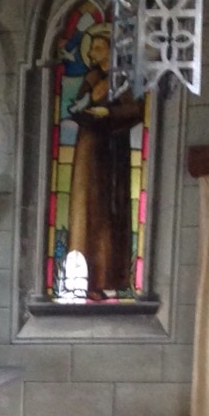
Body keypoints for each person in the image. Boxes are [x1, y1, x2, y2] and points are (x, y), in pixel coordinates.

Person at [65, 24, 144, 294]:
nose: (92, 53)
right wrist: (85, 109)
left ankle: (108, 280)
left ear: (111, 51)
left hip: (110, 153)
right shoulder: (91, 78)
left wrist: (108, 114)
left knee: (108, 213)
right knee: (84, 209)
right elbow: (76, 107)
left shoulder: (121, 79)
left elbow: (135, 110)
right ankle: (81, 281)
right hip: (87, 149)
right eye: (91, 48)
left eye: (98, 48)